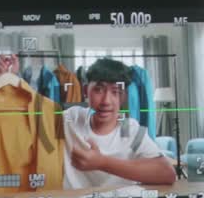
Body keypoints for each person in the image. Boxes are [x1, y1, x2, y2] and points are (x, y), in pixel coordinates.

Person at [62, 58, 177, 189]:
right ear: (85, 91)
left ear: (123, 96)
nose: (106, 101)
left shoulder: (131, 129)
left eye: (115, 92)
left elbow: (167, 173)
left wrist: (101, 162)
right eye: (98, 90)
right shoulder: (71, 118)